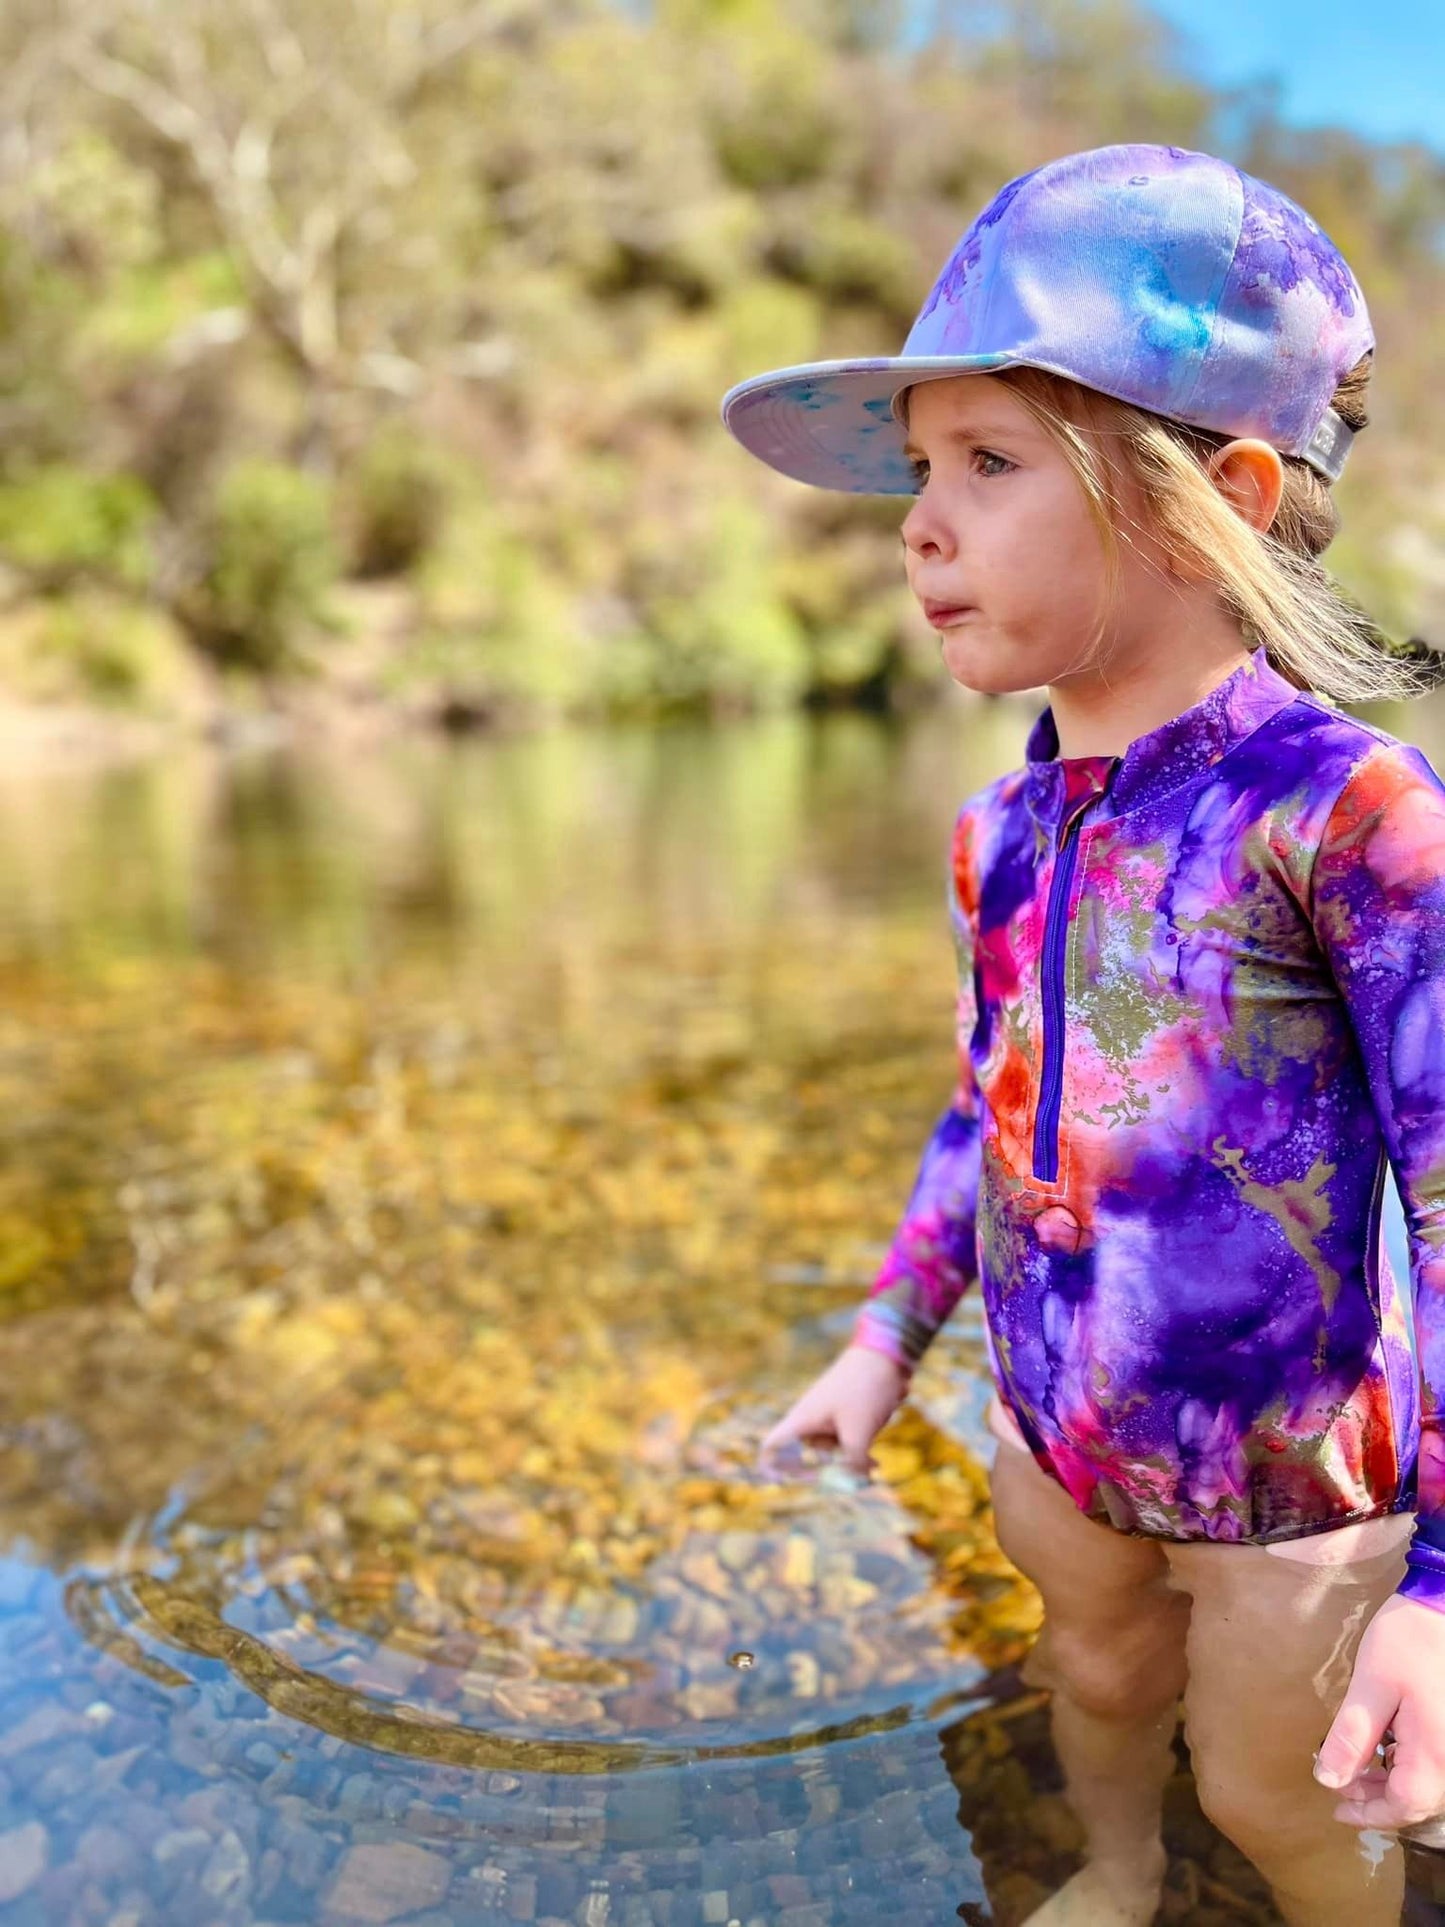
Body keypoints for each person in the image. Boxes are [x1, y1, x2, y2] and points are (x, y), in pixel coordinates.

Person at [720, 143, 1445, 1927]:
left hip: (1296, 1491)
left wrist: (1434, 1588)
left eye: (987, 462)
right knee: (1097, 1696)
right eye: (915, 472)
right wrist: (886, 1340)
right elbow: (993, 1107)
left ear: (1214, 499)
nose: (917, 524)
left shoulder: (1345, 815)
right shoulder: (1000, 832)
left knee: (1284, 1800)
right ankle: (1115, 1874)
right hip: (1058, 1444)